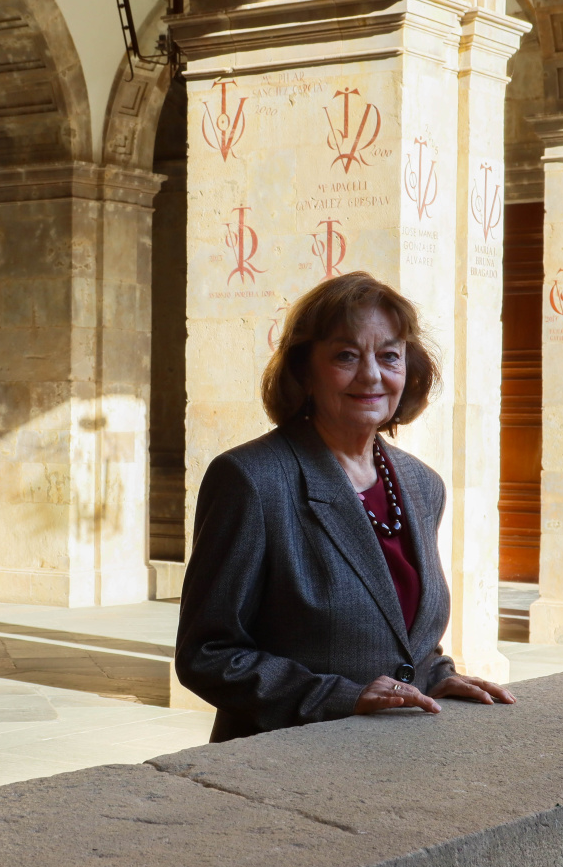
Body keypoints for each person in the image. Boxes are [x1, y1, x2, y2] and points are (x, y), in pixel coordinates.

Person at [175, 272, 515, 742]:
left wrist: (435, 674)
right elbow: (207, 653)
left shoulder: (422, 484)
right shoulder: (251, 480)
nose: (372, 375)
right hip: (285, 762)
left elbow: (402, 630)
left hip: (395, 759)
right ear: (304, 371)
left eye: (389, 356)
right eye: (346, 356)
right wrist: (338, 697)